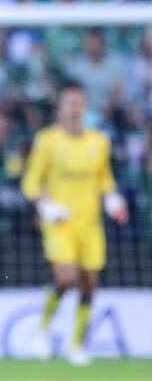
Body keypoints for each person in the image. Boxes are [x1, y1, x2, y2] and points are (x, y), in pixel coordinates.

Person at [22, 82, 128, 366]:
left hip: (91, 225)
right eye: (69, 103)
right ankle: (42, 332)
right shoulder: (47, 140)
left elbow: (105, 179)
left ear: (86, 108)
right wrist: (45, 205)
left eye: (79, 103)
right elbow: (31, 181)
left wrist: (113, 198)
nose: (74, 108)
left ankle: (77, 345)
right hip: (59, 224)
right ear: (60, 109)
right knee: (66, 276)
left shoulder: (99, 142)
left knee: (89, 282)